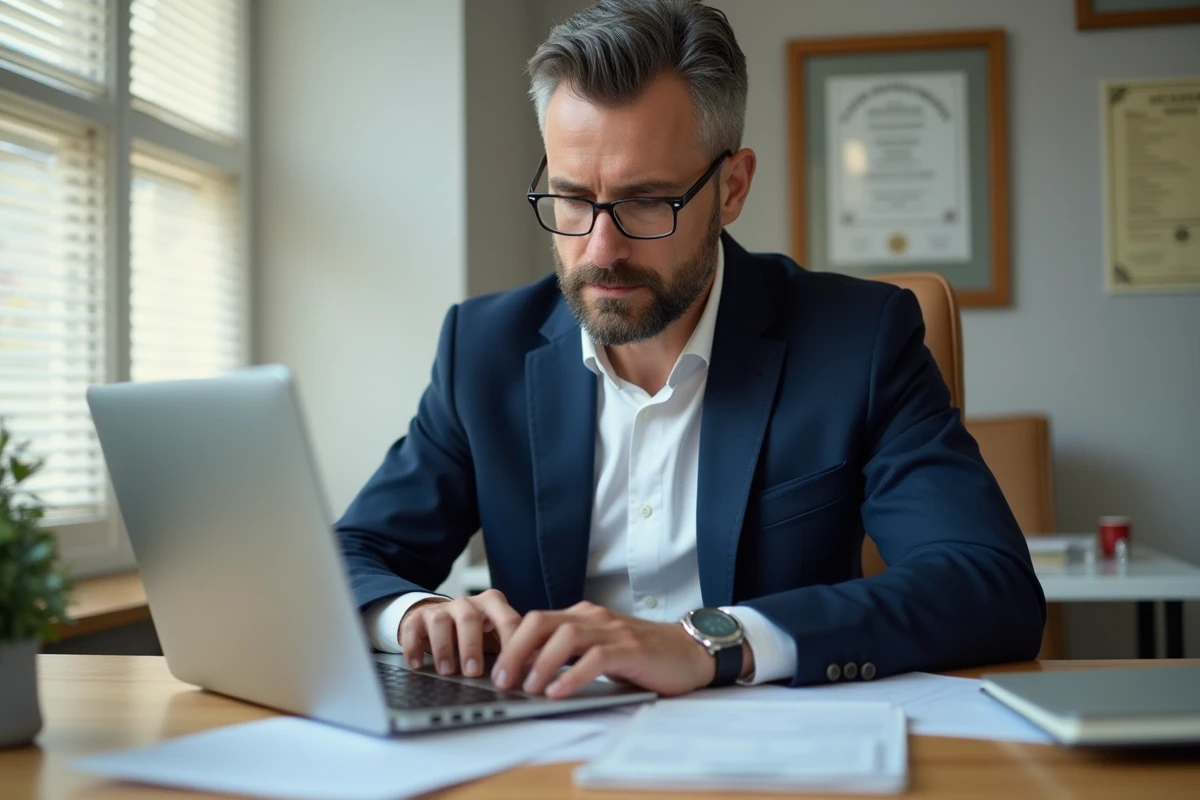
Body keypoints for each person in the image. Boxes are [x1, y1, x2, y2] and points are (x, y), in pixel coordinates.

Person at [336, 0, 1044, 699]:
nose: (600, 249)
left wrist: (712, 644)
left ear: (731, 188)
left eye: (648, 201)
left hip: (774, 756)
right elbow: (347, 556)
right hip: (545, 755)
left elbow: (987, 584)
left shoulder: (859, 340)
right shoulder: (483, 350)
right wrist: (413, 615)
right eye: (572, 198)